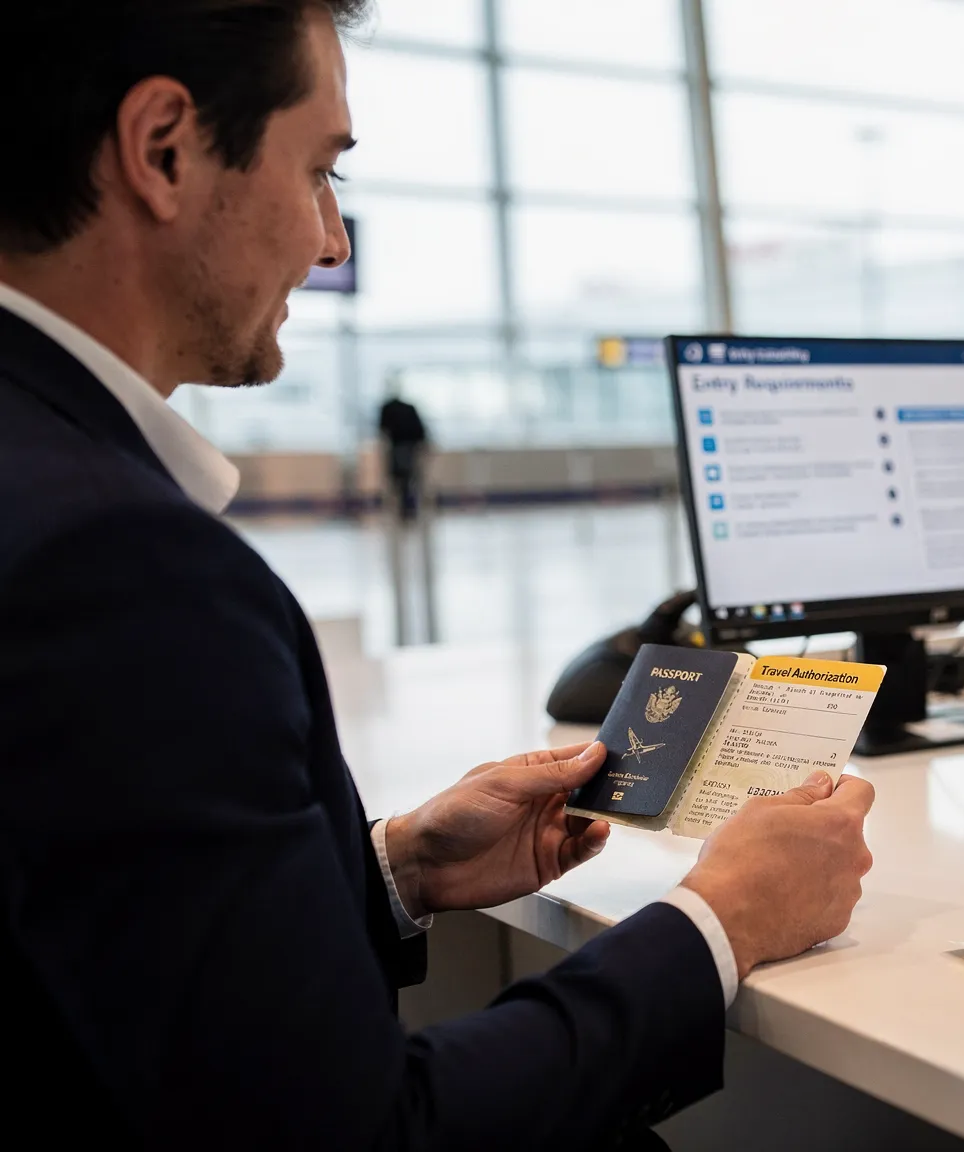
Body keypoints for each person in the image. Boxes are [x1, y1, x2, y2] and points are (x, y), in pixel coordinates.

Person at [0, 4, 874, 1146]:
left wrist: (395, 868)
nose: (332, 242)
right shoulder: (116, 565)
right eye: (318, 170)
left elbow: (103, 956)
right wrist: (722, 918)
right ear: (163, 148)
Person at [377, 375, 430, 521]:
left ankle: (406, 508)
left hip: (403, 448)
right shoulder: (390, 408)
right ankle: (405, 508)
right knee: (403, 479)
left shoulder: (399, 408)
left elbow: (383, 431)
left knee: (404, 479)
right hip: (401, 448)